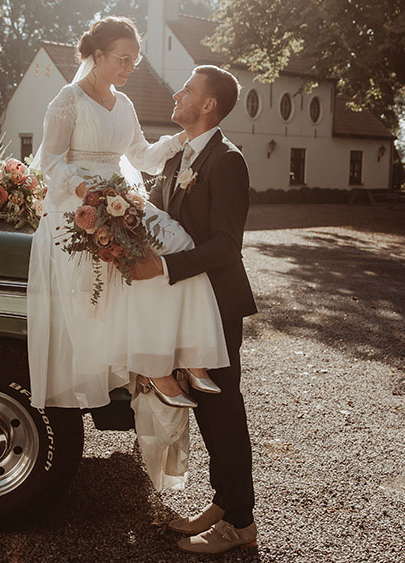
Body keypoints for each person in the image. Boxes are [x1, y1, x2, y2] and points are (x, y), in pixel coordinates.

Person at [26, 17, 228, 489]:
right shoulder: (66, 102)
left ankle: (189, 356)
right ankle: (152, 368)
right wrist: (83, 191)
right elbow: (48, 164)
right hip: (76, 205)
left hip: (121, 196)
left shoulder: (127, 104)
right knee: (127, 277)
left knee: (179, 245)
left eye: (134, 60)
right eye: (123, 59)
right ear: (95, 56)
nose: (129, 67)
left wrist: (183, 139)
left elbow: (138, 155)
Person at [131, 65, 260, 554]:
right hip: (184, 304)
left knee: (222, 410)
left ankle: (241, 524)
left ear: (208, 105)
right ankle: (223, 504)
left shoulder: (228, 161)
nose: (177, 93)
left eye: (187, 89)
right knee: (206, 409)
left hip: (216, 304)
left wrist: (161, 270)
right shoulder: (175, 157)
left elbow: (228, 245)